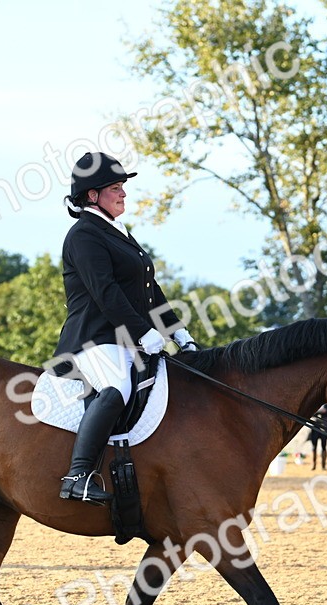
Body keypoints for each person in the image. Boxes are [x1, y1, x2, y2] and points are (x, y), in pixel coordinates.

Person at [53, 152, 197, 505]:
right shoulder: (84, 235)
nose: (123, 194)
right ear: (92, 195)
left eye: (123, 188)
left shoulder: (117, 232)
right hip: (93, 340)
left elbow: (149, 290)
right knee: (117, 386)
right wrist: (143, 333)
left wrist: (177, 332)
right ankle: (78, 475)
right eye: (115, 188)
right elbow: (106, 292)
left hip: (125, 339)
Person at [306, 403, 327, 470]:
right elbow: (310, 413)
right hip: (315, 428)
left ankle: (323, 465)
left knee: (324, 446)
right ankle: (313, 465)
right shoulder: (315, 404)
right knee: (314, 447)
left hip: (324, 428)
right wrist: (319, 411)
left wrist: (324, 411)